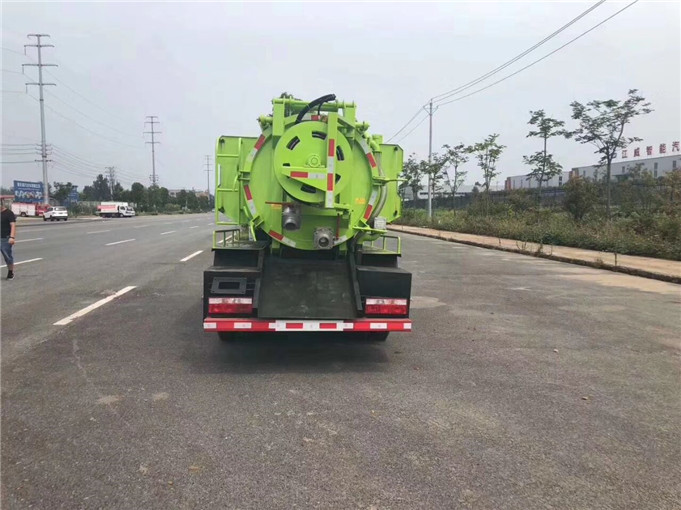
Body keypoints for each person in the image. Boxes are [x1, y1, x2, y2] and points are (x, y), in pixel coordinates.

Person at [1, 199, 17, 280]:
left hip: (5, 239)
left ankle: (10, 272)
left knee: (7, 257)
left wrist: (12, 237)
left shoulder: (8, 213)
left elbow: (13, 225)